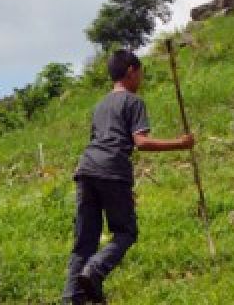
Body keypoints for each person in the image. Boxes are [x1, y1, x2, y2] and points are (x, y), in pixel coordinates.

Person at [64, 50, 195, 305]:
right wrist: (180, 143)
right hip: (112, 170)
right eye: (140, 73)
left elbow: (96, 140)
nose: (141, 79)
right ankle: (95, 271)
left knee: (85, 240)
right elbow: (141, 142)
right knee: (126, 233)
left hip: (86, 169)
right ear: (131, 71)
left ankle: (72, 298)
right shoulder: (134, 102)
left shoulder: (100, 105)